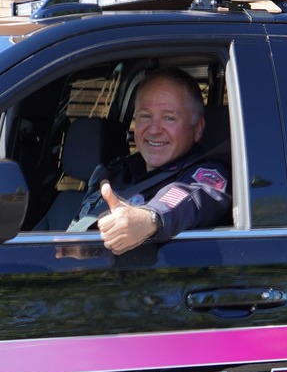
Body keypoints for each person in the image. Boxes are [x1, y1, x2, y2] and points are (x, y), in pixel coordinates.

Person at [69, 69, 231, 254]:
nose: (154, 130)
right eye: (145, 116)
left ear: (197, 129)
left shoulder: (208, 176)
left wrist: (148, 219)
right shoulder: (115, 171)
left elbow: (188, 198)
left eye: (169, 118)